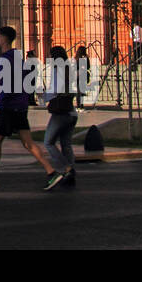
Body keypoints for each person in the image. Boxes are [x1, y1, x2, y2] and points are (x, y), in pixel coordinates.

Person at [0, 26, 65, 191]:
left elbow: (5, 85)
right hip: (20, 106)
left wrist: (0, 106)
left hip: (9, 107)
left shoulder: (5, 59)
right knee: (28, 143)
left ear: (4, 39)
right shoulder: (18, 58)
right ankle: (51, 172)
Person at [43, 46, 78, 186]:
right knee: (66, 144)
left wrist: (44, 96)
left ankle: (67, 168)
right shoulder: (69, 69)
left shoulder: (58, 70)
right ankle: (71, 170)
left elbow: (55, 90)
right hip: (71, 112)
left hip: (61, 113)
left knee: (48, 142)